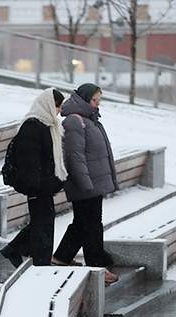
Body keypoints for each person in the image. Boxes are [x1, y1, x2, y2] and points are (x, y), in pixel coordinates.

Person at [52, 83, 120, 284]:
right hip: (85, 184)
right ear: (83, 99)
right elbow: (74, 157)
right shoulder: (75, 121)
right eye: (94, 100)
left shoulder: (90, 120)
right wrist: (85, 184)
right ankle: (96, 267)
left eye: (99, 100)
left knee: (83, 223)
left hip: (92, 183)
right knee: (92, 225)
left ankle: (62, 257)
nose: (97, 104)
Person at [0, 88, 67, 267]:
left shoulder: (49, 125)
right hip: (38, 186)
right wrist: (41, 185)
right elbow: (29, 162)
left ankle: (18, 251)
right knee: (42, 225)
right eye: (57, 106)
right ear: (48, 105)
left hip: (46, 184)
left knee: (43, 223)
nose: (59, 111)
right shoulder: (31, 126)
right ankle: (40, 263)